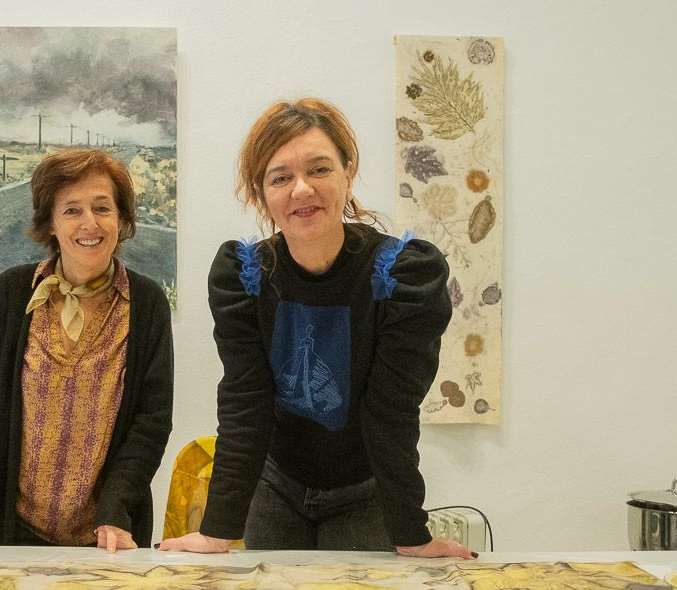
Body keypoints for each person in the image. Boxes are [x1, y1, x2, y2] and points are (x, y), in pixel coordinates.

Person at [159, 98, 473, 559]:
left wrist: (411, 534)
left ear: (348, 172)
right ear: (260, 193)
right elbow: (246, 403)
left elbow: (391, 411)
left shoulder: (404, 274)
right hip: (276, 486)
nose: (301, 190)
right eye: (280, 177)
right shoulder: (243, 277)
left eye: (320, 169)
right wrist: (216, 531)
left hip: (365, 492)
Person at [0, 148, 173, 554]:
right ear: (50, 222)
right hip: (13, 535)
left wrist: (116, 508)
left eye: (103, 207)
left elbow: (151, 424)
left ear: (121, 218)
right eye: (71, 210)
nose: (90, 223)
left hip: (107, 538)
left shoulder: (147, 302)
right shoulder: (13, 292)